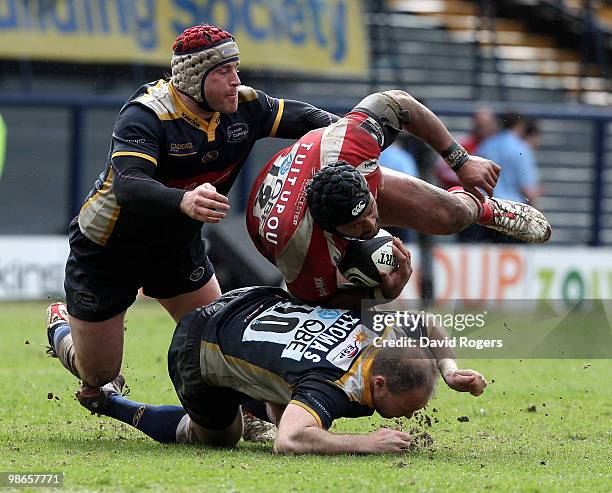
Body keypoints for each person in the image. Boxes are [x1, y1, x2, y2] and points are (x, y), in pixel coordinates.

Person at [45, 24, 338, 429]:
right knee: (98, 375)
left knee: (222, 337)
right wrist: (183, 199)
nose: (237, 80)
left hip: (175, 248)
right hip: (109, 250)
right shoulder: (146, 114)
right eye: (224, 72)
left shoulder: (246, 106)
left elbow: (313, 121)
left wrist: (349, 135)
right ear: (193, 77)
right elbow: (129, 186)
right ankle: (60, 324)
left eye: (237, 68)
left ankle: (248, 415)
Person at [75, 286, 488, 454]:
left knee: (279, 394)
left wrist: (449, 370)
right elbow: (289, 442)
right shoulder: (331, 385)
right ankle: (112, 402)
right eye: (409, 406)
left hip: (250, 299)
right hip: (199, 346)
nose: (415, 414)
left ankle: (259, 406)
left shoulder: (375, 331)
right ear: (378, 383)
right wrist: (366, 441)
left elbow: (426, 322)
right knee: (219, 438)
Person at [246, 91, 552, 308]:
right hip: (281, 222)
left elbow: (399, 103)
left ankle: (484, 209)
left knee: (451, 217)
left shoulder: (354, 146)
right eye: (359, 224)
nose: (374, 222)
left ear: (366, 183)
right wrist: (380, 295)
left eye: (369, 208)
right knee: (342, 321)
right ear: (332, 229)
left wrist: (461, 160)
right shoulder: (301, 251)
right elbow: (316, 300)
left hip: (324, 159)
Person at [470, 112, 542, 243]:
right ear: (519, 125)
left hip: (487, 209)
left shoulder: (486, 145)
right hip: (513, 213)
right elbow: (527, 188)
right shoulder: (520, 149)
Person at [378, 135, 418, 242]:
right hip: (399, 210)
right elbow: (412, 184)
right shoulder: (403, 157)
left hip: (376, 209)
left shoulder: (373, 153)